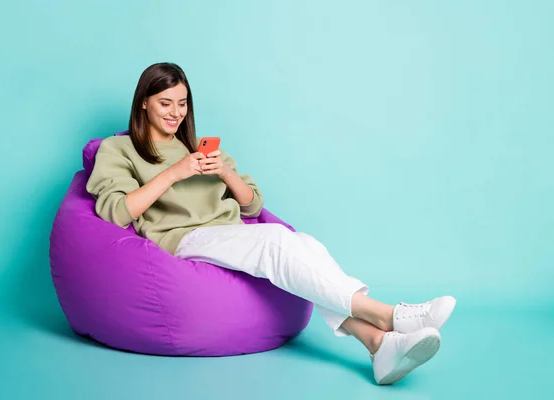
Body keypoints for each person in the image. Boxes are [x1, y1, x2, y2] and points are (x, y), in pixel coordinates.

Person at [86, 62, 457, 385]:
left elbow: (253, 207)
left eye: (182, 104)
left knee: (306, 246)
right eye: (165, 103)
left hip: (230, 232)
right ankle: (390, 316)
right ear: (144, 103)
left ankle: (380, 346)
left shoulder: (199, 147)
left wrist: (227, 173)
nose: (175, 113)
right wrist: (174, 174)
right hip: (182, 240)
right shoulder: (118, 150)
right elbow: (116, 212)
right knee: (277, 241)